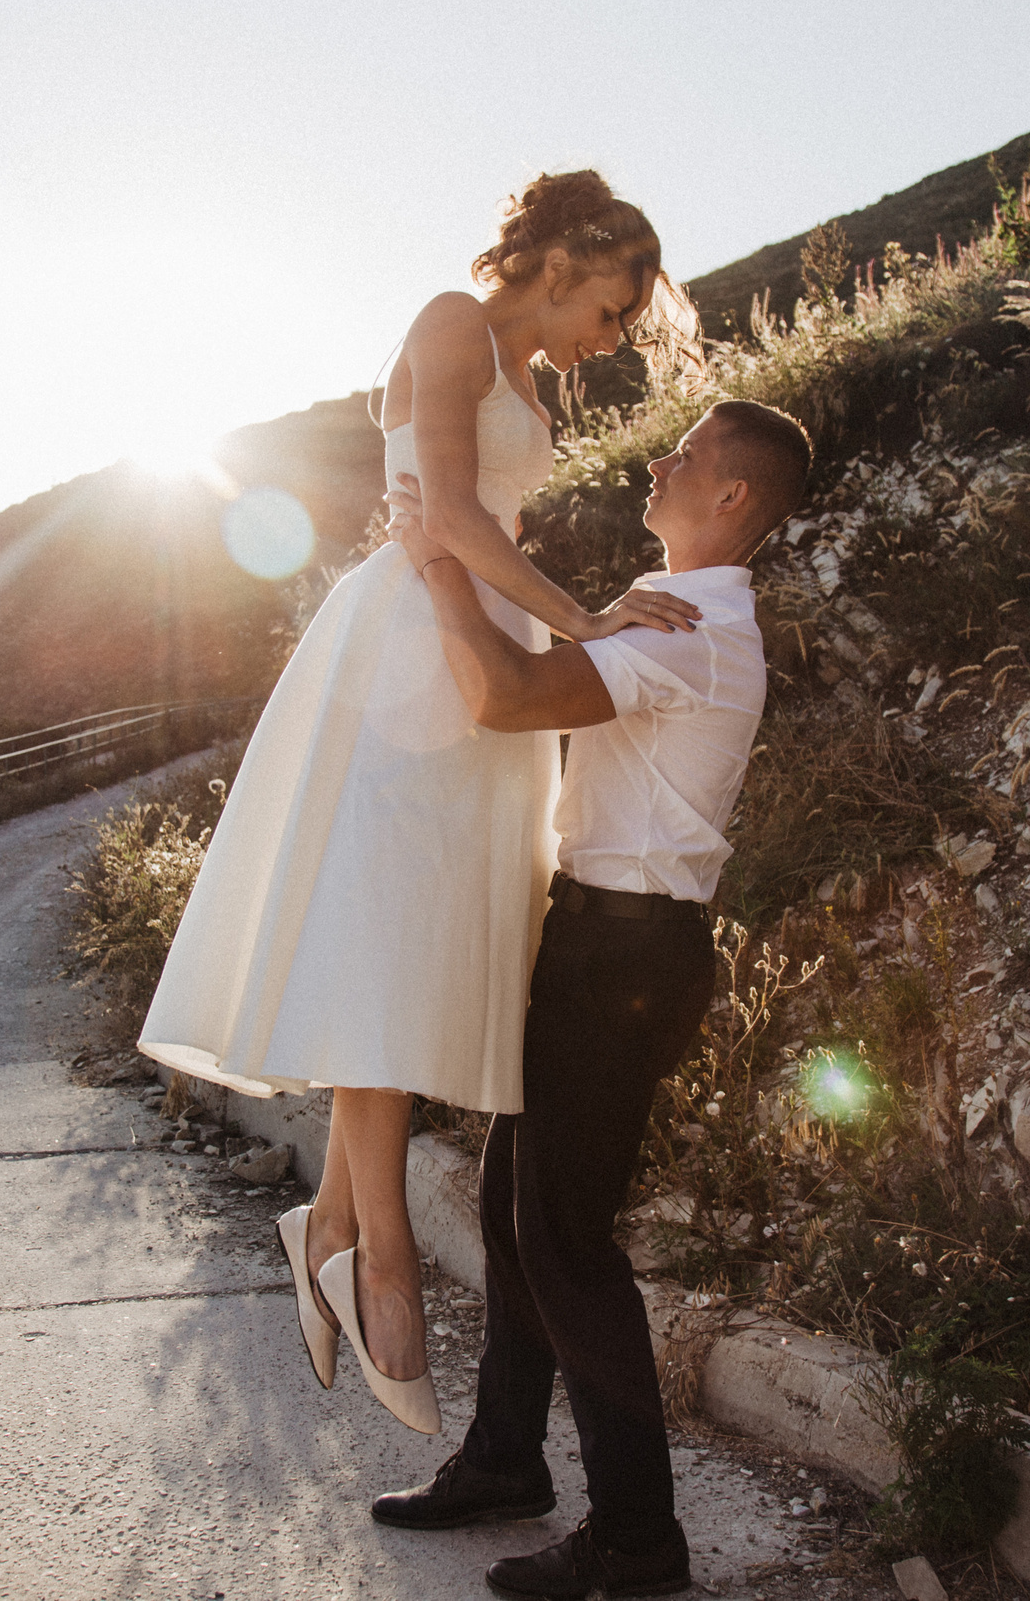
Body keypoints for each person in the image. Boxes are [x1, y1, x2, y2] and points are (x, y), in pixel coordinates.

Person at [136, 171, 703, 1434]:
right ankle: (378, 1264)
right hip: (407, 650)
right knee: (388, 944)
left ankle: (330, 1225)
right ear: (565, 260)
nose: (609, 342)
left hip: (473, 650)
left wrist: (540, 622)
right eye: (613, 310)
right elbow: (444, 512)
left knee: (428, 945)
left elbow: (470, 519)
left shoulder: (532, 371)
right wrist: (587, 620)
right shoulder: (449, 320)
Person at [375, 399, 811, 1599]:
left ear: (731, 498)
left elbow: (508, 699)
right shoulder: (668, 608)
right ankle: (507, 1459)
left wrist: (441, 564)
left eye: (685, 456)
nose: (658, 462)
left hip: (625, 962)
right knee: (519, 1208)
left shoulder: (690, 628)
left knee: (563, 1239)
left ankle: (636, 1542)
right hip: (594, 946)